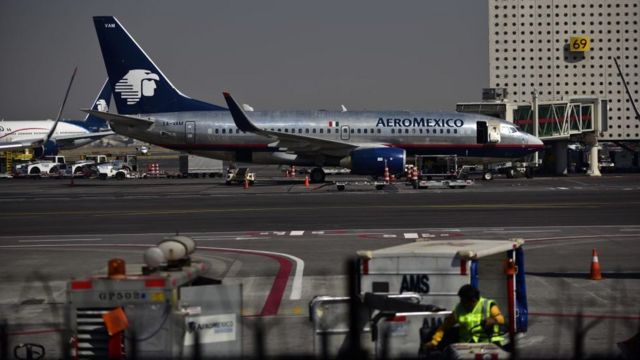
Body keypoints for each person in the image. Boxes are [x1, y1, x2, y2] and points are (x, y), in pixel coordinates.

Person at [425, 285, 506, 351]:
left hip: (488, 344)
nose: (461, 303)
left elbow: (502, 319)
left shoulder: (487, 305)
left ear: (473, 301)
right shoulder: (459, 309)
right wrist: (434, 342)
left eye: (463, 301)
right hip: (466, 346)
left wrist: (493, 320)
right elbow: (444, 326)